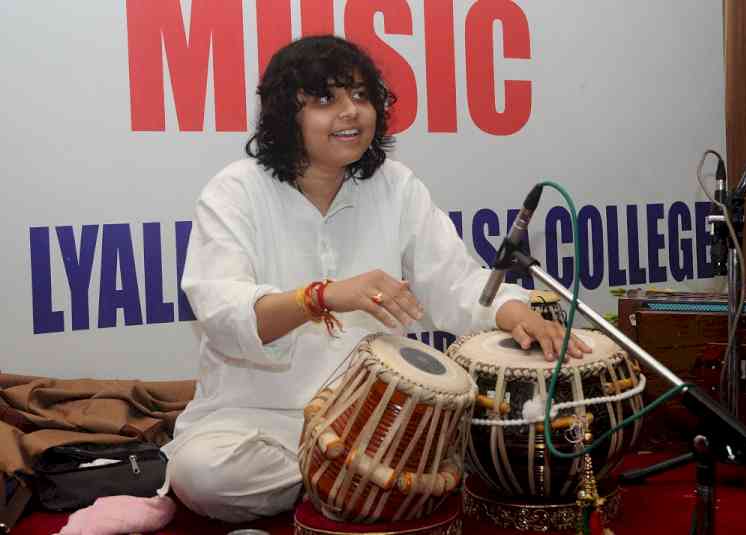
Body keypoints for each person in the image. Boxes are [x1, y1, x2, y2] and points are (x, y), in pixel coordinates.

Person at [161, 35, 591, 523]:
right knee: (205, 476)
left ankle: (356, 480)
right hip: (259, 419)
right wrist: (323, 296)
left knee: (449, 433)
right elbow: (224, 313)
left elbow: (453, 281)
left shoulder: (395, 186)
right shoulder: (235, 190)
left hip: (374, 419)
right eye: (326, 100)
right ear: (286, 115)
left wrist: (512, 310)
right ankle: (355, 482)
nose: (351, 112)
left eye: (361, 96)